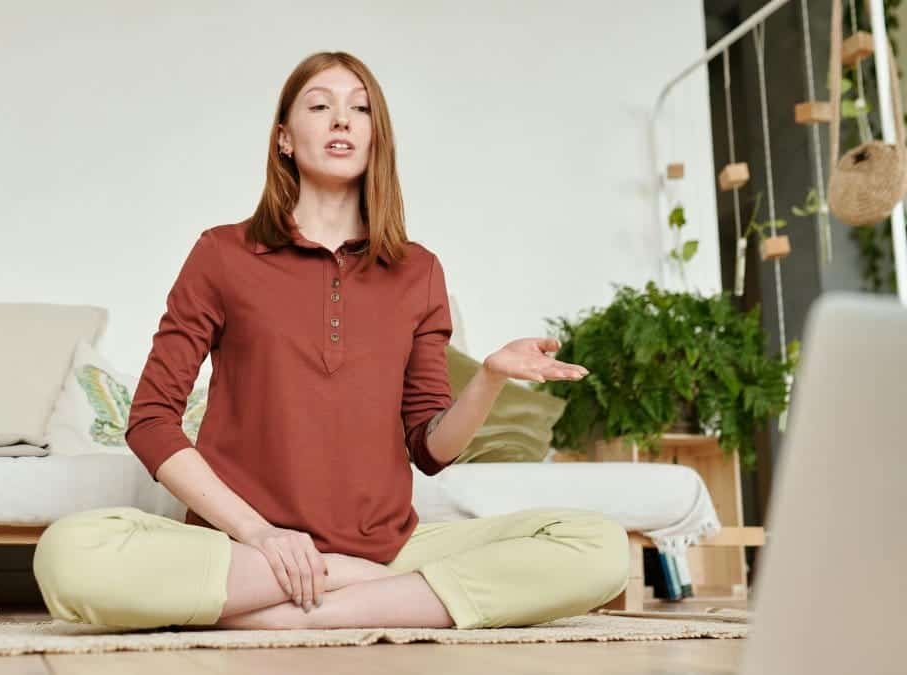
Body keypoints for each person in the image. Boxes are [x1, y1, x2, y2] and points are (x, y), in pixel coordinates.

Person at [32, 51, 629, 632]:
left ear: (375, 138)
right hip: (244, 552)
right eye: (320, 106)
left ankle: (297, 613)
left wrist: (490, 378)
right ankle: (370, 589)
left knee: (597, 546)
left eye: (360, 108)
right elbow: (151, 422)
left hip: (389, 550)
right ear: (285, 139)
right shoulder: (221, 254)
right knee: (70, 555)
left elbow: (430, 450)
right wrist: (260, 535)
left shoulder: (418, 271)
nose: (342, 119)